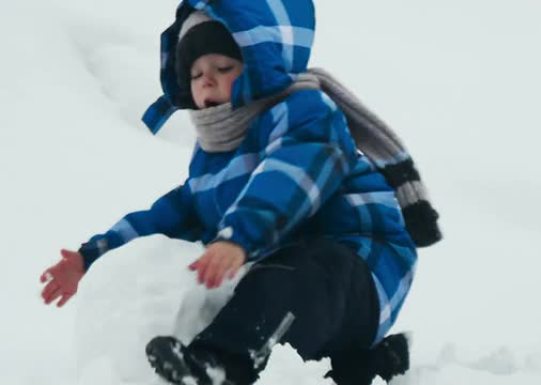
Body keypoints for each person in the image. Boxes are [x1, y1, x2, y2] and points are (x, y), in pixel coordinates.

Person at [40, 2, 441, 385]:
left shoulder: (304, 111)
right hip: (303, 273)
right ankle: (367, 365)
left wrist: (240, 236)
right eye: (196, 74)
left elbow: (291, 176)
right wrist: (91, 255)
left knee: (293, 279)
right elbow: (170, 216)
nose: (207, 80)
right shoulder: (212, 159)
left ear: (260, 68)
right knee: (280, 292)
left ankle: (221, 364)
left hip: (363, 259)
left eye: (223, 66)